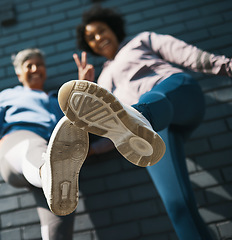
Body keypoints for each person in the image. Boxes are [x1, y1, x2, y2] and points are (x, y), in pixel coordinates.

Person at [66, 5, 232, 240]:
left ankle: (141, 115)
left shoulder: (141, 41)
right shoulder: (101, 81)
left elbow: (189, 55)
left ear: (112, 28)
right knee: (178, 206)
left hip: (179, 94)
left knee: (148, 101)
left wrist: (228, 66)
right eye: (91, 38)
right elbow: (115, 131)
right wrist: (90, 148)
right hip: (152, 130)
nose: (98, 38)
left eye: (100, 31)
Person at [0, 48, 90, 240]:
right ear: (18, 73)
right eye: (28, 65)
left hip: (46, 154)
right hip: (18, 145)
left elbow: (79, 127)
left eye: (39, 64)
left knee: (61, 217)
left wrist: (85, 89)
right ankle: (50, 172)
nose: (35, 68)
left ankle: (51, 175)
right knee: (38, 149)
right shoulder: (9, 95)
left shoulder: (58, 100)